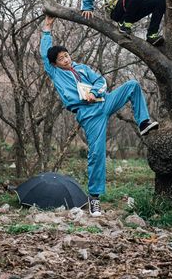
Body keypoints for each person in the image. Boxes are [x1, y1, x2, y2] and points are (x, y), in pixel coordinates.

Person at [41, 15, 159, 216]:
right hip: (89, 115)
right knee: (96, 154)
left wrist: (95, 93)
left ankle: (143, 122)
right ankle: (94, 199)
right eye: (61, 59)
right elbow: (45, 54)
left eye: (66, 55)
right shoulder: (55, 73)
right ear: (55, 63)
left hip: (104, 102)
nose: (66, 59)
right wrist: (47, 28)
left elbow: (100, 81)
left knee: (132, 85)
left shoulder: (82, 68)